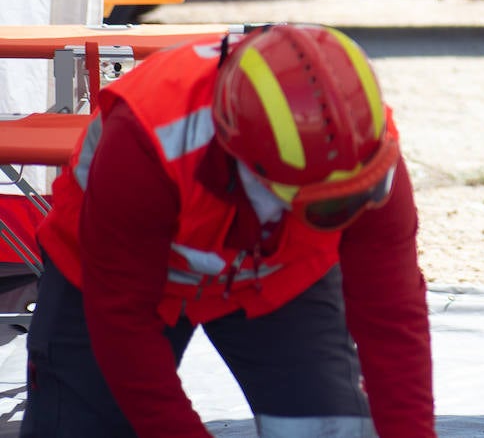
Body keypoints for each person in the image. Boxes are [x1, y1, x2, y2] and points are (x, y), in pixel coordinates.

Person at [21, 23, 435, 437]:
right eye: (328, 207)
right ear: (252, 168)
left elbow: (392, 320)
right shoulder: (145, 139)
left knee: (330, 428)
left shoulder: (365, 154)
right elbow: (122, 320)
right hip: (110, 278)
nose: (351, 206)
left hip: (278, 274)